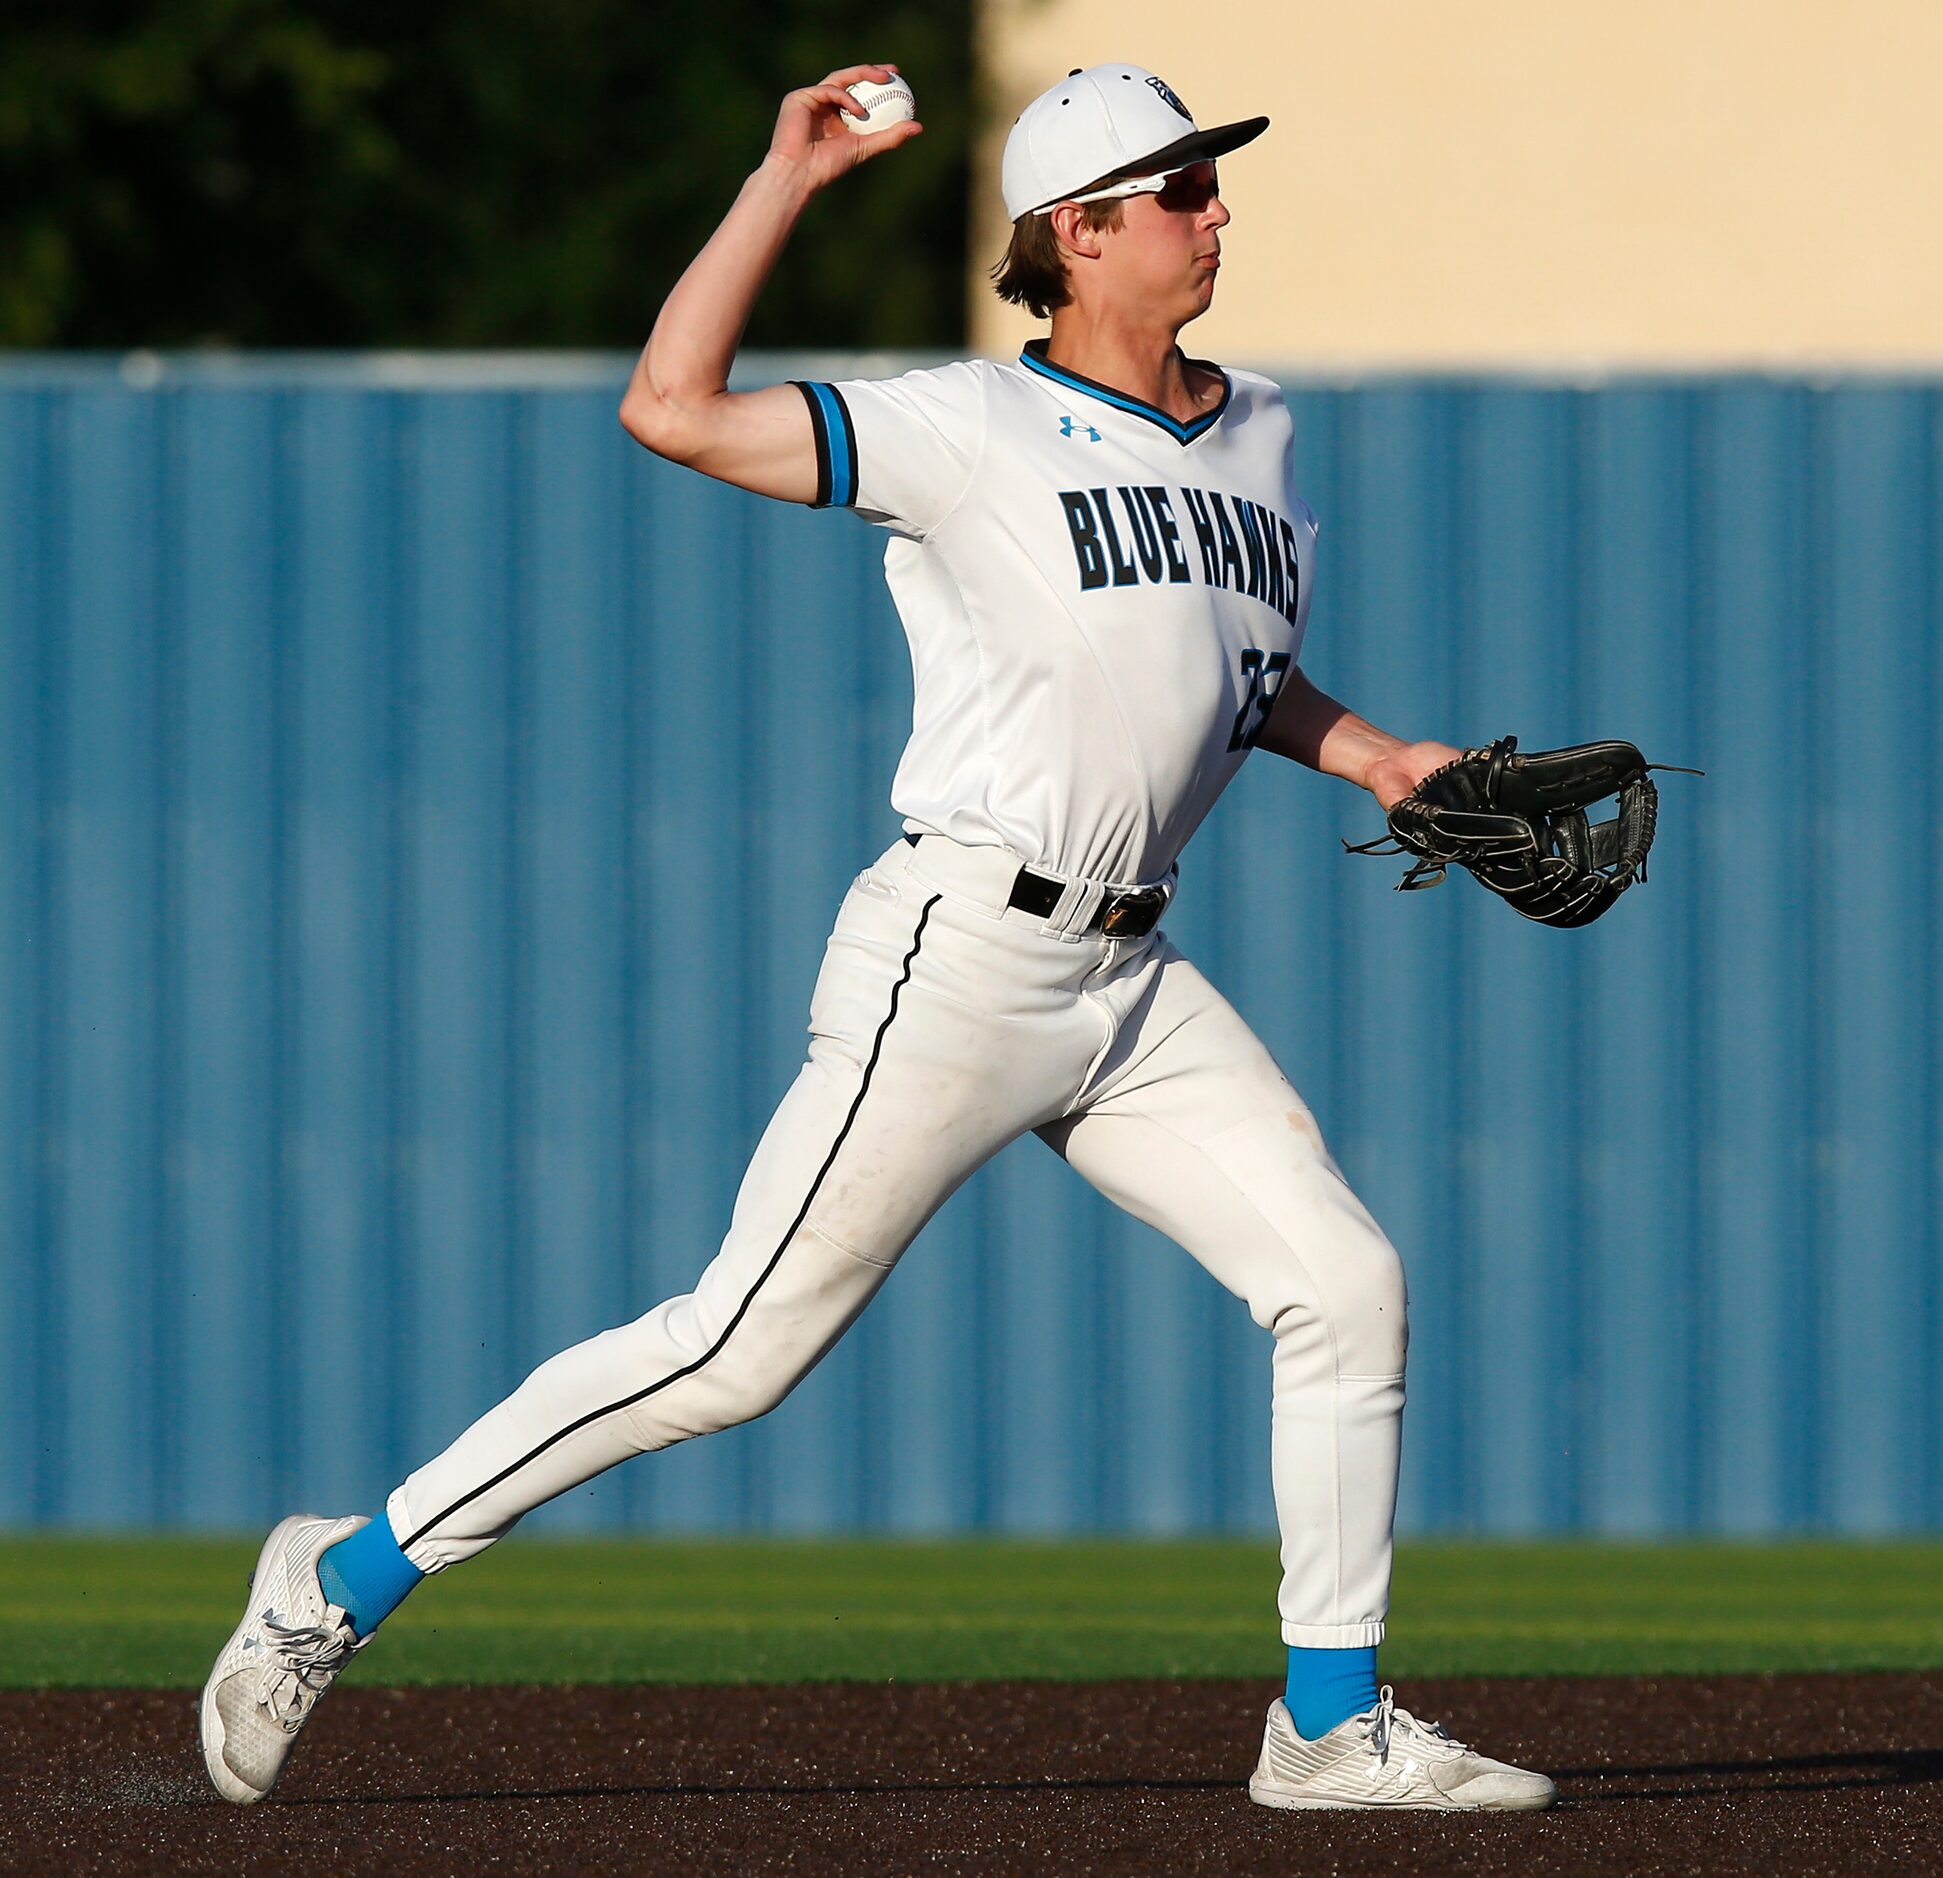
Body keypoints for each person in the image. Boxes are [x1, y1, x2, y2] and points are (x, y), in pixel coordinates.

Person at [200, 60, 1554, 1814]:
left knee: (1345, 1281)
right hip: (963, 952)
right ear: (1075, 235)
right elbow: (671, 410)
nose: (1217, 208)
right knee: (732, 1349)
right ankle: (334, 1578)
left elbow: (1232, 672)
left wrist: (1376, 752)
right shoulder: (963, 425)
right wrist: (787, 179)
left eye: (1211, 180)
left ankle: (1326, 1722)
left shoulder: (1263, 427)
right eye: (1179, 189)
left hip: (1130, 981)